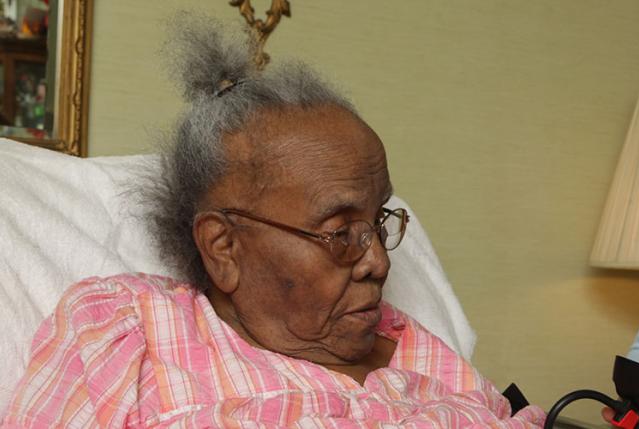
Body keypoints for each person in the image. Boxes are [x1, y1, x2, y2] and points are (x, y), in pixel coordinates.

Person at [0, 15, 545, 428]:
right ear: (223, 247)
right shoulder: (129, 334)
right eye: (340, 233)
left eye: (378, 222)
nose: (378, 262)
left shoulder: (418, 350)